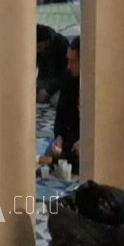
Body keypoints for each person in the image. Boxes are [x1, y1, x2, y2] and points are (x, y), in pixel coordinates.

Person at [47, 36, 80, 172]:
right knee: (56, 152)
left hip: (93, 135)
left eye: (73, 61)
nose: (69, 66)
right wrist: (59, 136)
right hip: (74, 131)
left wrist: (88, 139)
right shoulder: (69, 77)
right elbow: (62, 111)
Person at [36, 24, 69, 103]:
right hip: (44, 81)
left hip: (59, 84)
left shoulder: (62, 45)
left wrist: (47, 91)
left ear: (46, 43)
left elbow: (64, 75)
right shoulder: (41, 44)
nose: (37, 50)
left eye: (39, 47)